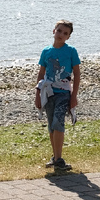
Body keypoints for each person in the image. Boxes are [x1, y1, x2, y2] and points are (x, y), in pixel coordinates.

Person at [34, 19, 80, 171]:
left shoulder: (71, 51)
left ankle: (59, 159)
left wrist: (74, 96)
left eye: (65, 33)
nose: (61, 35)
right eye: (59, 31)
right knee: (51, 125)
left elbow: (77, 74)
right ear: (54, 31)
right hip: (49, 92)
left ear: (68, 37)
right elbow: (41, 73)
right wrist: (38, 94)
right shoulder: (46, 51)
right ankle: (55, 157)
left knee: (58, 122)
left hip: (64, 92)